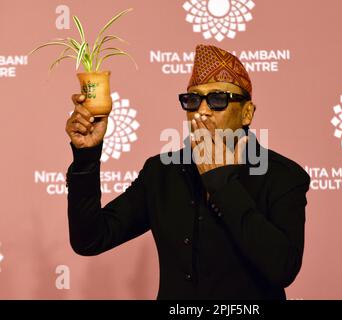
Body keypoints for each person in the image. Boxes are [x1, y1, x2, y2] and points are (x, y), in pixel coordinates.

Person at [65, 44, 311, 300]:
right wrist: (86, 157)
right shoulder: (161, 172)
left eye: (218, 100)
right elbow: (90, 239)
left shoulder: (283, 176)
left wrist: (221, 183)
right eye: (193, 100)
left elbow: (283, 268)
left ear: (247, 112)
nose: (202, 111)